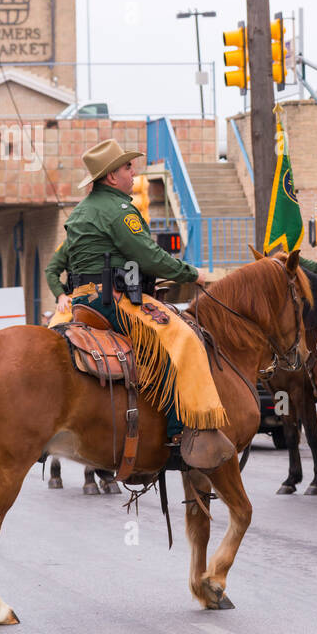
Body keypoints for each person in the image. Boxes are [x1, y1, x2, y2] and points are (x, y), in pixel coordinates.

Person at [46, 138, 233, 469]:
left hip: (82, 301)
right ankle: (178, 433)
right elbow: (148, 255)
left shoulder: (81, 210)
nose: (134, 172)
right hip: (113, 302)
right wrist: (192, 274)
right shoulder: (118, 210)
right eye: (127, 167)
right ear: (111, 177)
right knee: (184, 340)